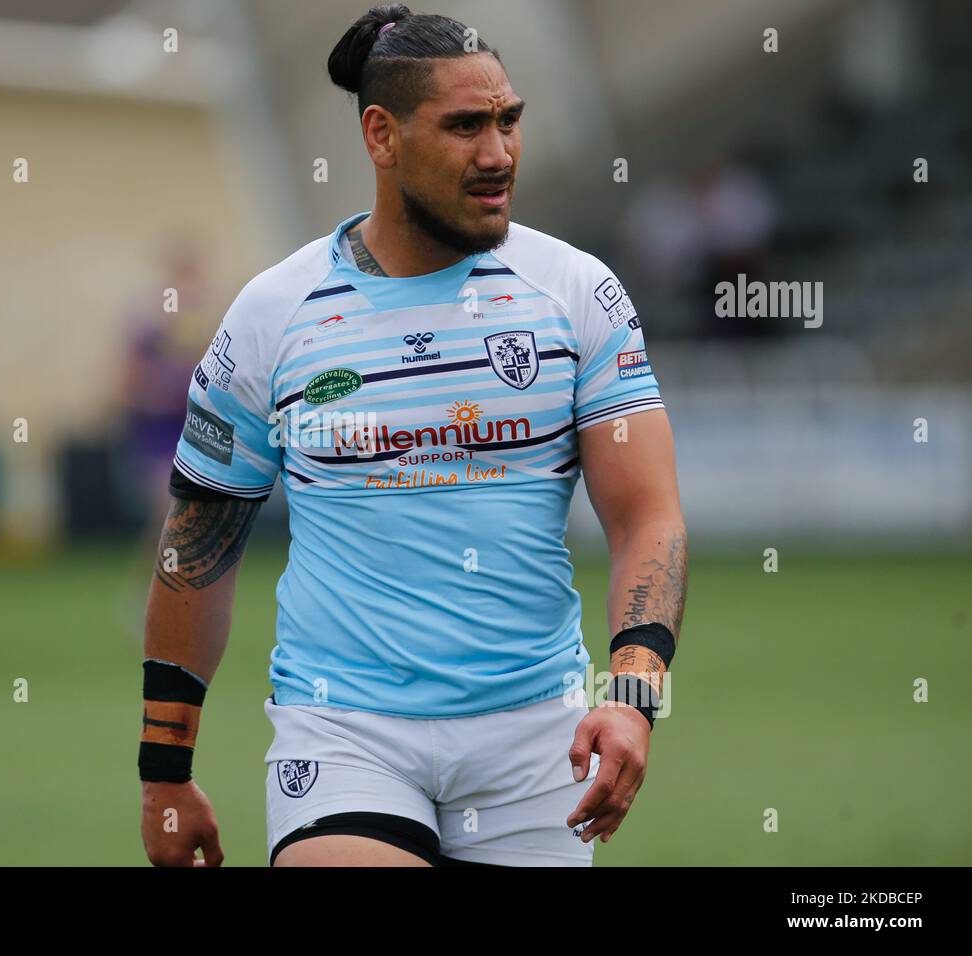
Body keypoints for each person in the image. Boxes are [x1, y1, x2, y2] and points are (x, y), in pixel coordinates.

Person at [138, 4, 687, 867]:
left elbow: (647, 517)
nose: (498, 153)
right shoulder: (272, 316)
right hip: (345, 729)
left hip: (539, 739)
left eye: (508, 122)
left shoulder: (578, 294)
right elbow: (197, 545)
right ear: (381, 136)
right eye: (465, 126)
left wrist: (631, 694)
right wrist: (165, 770)